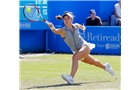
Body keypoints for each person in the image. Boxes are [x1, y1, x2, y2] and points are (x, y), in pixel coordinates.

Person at [47, 11, 114, 85]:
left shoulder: (75, 25)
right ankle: (106, 67)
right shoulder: (63, 31)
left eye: (68, 18)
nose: (66, 20)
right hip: (77, 51)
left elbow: (80, 26)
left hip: (85, 46)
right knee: (93, 62)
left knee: (75, 58)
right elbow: (55, 31)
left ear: (72, 20)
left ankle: (71, 77)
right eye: (65, 19)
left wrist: (83, 27)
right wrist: (51, 27)